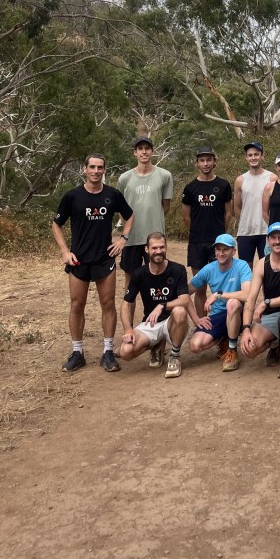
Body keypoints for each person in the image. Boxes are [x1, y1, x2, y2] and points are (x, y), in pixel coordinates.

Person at [52, 153, 133, 373]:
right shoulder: (72, 196)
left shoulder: (112, 195)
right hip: (78, 261)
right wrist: (64, 251)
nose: (96, 171)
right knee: (77, 305)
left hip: (104, 259)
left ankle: (107, 352)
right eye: (92, 167)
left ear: (104, 170)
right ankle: (77, 352)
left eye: (100, 168)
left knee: (108, 304)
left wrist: (123, 239)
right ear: (84, 169)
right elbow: (56, 224)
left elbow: (130, 216)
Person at [116, 136, 173, 324]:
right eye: (140, 148)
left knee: (159, 283)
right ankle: (129, 328)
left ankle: (159, 328)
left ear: (152, 151)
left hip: (155, 240)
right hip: (131, 238)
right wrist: (127, 229)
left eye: (147, 148)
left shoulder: (164, 176)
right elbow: (121, 209)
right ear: (135, 152)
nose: (144, 152)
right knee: (130, 284)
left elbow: (165, 206)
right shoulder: (124, 178)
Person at [118, 232, 190, 379]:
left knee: (180, 311)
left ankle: (175, 356)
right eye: (154, 248)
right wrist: (128, 329)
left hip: (172, 323)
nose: (158, 251)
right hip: (151, 323)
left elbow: (185, 300)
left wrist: (162, 305)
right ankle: (155, 344)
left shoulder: (178, 270)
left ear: (166, 248)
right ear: (147, 249)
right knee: (125, 352)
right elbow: (126, 304)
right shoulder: (139, 274)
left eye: (162, 247)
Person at [240, 222, 280, 378]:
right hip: (270, 316)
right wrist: (246, 329)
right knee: (250, 350)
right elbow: (250, 299)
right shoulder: (262, 264)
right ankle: (276, 342)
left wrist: (266, 303)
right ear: (268, 240)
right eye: (273, 238)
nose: (277, 241)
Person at [187, 234, 253, 372]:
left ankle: (232, 350)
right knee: (195, 346)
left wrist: (219, 295)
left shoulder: (242, 266)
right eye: (218, 249)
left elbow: (247, 294)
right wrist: (197, 319)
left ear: (233, 251)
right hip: (217, 315)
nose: (221, 253)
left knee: (232, 303)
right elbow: (184, 292)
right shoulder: (209, 269)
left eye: (225, 249)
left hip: (238, 313)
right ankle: (223, 338)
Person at [181, 146, 233, 316]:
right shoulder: (190, 188)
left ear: (214, 161)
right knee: (200, 287)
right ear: (197, 163)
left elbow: (228, 213)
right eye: (202, 160)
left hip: (218, 244)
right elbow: (186, 216)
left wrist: (221, 234)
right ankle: (202, 324)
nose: (205, 163)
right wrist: (198, 231)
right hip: (197, 243)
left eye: (209, 159)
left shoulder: (223, 185)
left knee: (221, 286)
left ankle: (223, 322)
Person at [234, 141, 274, 268]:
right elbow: (237, 207)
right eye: (250, 155)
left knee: (267, 267)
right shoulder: (240, 180)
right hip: (245, 232)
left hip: (266, 231)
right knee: (246, 269)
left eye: (256, 154)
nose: (253, 158)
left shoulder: (272, 178)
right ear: (246, 158)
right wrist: (242, 223)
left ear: (262, 156)